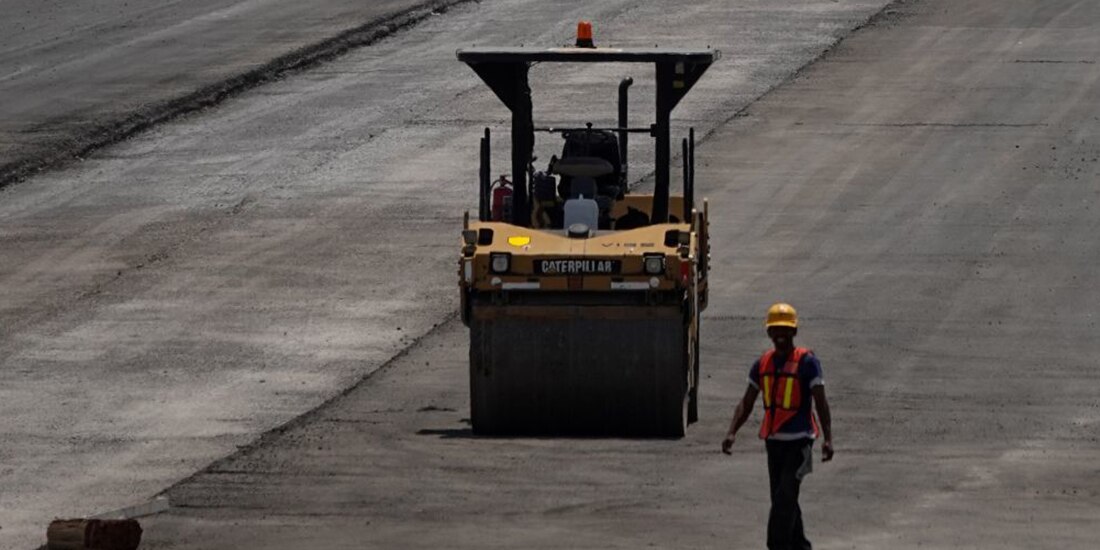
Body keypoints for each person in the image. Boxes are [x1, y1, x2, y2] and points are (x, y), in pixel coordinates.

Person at [722, 302, 834, 550]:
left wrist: (828, 439)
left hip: (800, 443)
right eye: (776, 330)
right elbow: (746, 402)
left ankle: (776, 546)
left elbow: (821, 402)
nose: (780, 335)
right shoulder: (762, 364)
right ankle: (801, 546)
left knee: (784, 498)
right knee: (783, 498)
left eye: (786, 330)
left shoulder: (807, 363)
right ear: (769, 333)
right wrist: (732, 432)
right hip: (774, 443)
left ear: (794, 332)